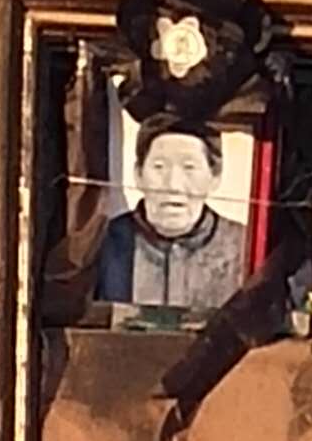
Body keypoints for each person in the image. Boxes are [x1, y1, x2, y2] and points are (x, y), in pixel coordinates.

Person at [96, 116, 247, 310]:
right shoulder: (102, 243)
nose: (173, 185)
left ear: (215, 176)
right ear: (138, 174)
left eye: (189, 167)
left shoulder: (244, 247)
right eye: (159, 167)